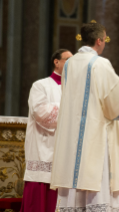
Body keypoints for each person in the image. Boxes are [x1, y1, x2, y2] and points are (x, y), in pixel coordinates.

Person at [50, 22, 119, 211]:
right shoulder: (100, 63)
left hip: (71, 135)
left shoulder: (69, 63)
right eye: (105, 39)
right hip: (94, 134)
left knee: (74, 177)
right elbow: (115, 93)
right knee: (96, 177)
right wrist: (117, 112)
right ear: (99, 40)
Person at [21, 49, 73, 212]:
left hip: (66, 148)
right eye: (68, 60)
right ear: (56, 62)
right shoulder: (40, 85)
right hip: (44, 146)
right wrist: (71, 109)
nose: (72, 65)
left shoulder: (74, 89)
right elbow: (41, 113)